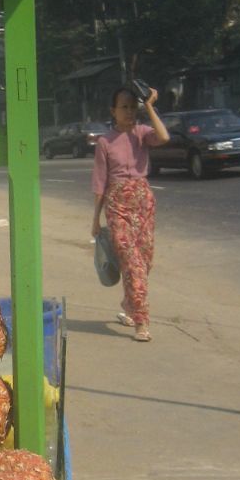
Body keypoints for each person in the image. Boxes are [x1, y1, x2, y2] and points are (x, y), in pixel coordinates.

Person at [91, 85, 169, 343]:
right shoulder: (104, 142)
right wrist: (95, 220)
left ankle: (129, 304)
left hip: (143, 200)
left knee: (144, 261)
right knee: (132, 262)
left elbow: (164, 137)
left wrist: (149, 105)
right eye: (123, 107)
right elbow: (100, 183)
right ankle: (141, 322)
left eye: (132, 106)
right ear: (113, 111)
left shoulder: (142, 134)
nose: (128, 112)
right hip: (117, 204)